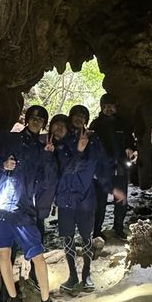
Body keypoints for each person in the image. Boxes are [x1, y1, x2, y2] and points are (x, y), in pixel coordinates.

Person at [0, 104, 62, 302]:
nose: (37, 121)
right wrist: (2, 164)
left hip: (24, 210)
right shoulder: (9, 140)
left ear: (44, 124)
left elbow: (49, 180)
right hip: (1, 207)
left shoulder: (42, 149)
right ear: (27, 119)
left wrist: (49, 156)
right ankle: (14, 299)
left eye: (41, 119)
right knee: (4, 254)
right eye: (34, 117)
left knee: (37, 255)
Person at [57, 105, 117, 291]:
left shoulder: (94, 140)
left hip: (86, 197)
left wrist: (111, 187)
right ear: (70, 117)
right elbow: (62, 168)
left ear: (87, 120)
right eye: (76, 115)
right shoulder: (62, 138)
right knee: (67, 237)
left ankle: (87, 274)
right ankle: (72, 275)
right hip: (65, 196)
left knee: (86, 236)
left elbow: (103, 164)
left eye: (83, 115)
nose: (79, 118)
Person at [89, 93, 137, 239]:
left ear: (116, 107)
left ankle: (118, 228)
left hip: (120, 167)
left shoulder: (123, 124)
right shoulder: (95, 125)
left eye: (111, 106)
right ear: (101, 107)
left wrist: (130, 148)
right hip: (102, 169)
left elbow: (130, 140)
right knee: (100, 202)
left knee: (121, 201)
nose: (109, 109)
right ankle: (97, 231)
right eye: (106, 106)